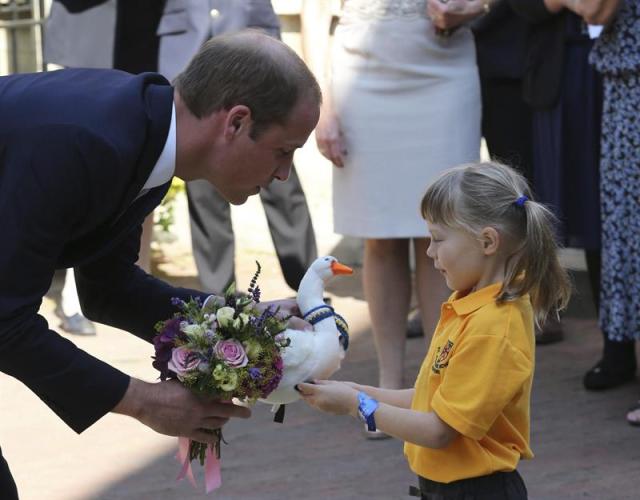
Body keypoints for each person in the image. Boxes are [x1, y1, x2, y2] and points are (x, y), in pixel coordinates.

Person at [0, 31, 320, 498]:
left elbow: (108, 289)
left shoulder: (145, 129)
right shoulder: (87, 139)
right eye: (283, 150)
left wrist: (238, 323)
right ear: (235, 122)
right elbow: (5, 320)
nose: (283, 174)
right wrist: (143, 400)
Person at [298, 162, 572, 499]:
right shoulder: (468, 304)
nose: (429, 252)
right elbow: (429, 399)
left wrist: (357, 405)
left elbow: (440, 431)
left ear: (487, 241)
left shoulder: (492, 326)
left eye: (438, 238)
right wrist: (357, 389)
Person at [300, 0, 480, 407]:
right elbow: (314, 13)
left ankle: (440, 379)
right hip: (361, 80)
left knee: (444, 231)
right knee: (378, 233)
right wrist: (322, 107)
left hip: (445, 72)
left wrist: (472, 8)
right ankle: (390, 378)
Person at [157, 0, 318, 293]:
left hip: (253, 40)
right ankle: (221, 300)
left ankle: (309, 288)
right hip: (186, 43)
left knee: (281, 174)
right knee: (203, 186)